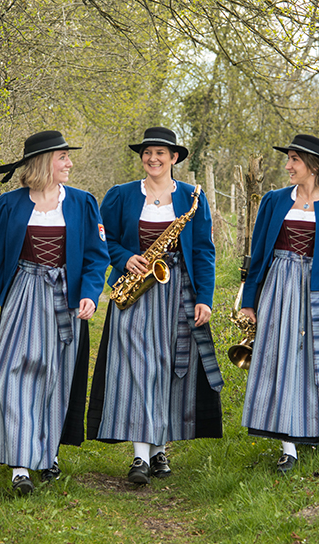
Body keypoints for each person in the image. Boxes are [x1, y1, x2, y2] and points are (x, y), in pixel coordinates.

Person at [87, 127, 223, 484]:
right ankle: (139, 457)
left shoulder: (194, 196)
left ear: (174, 158)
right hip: (135, 291)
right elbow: (103, 242)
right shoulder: (120, 195)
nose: (153, 159)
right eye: (148, 153)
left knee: (166, 369)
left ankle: (159, 450)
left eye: (161, 153)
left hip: (177, 289)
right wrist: (125, 258)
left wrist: (205, 299)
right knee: (139, 368)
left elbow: (204, 251)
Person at [0, 130, 109, 496]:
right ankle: (20, 465)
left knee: (56, 377)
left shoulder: (83, 203)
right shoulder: (9, 205)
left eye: (68, 157)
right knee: (8, 377)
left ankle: (46, 453)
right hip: (23, 293)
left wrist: (89, 295)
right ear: (44, 163)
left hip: (65, 298)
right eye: (63, 157)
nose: (70, 163)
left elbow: (96, 257)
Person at [239, 134, 319, 474]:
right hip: (278, 287)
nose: (288, 165)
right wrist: (249, 298)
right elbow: (259, 252)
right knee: (277, 359)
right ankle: (287, 446)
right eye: (289, 158)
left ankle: (312, 429)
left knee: (311, 362)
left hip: (317, 290)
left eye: (294, 159)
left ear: (314, 166)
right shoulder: (274, 200)